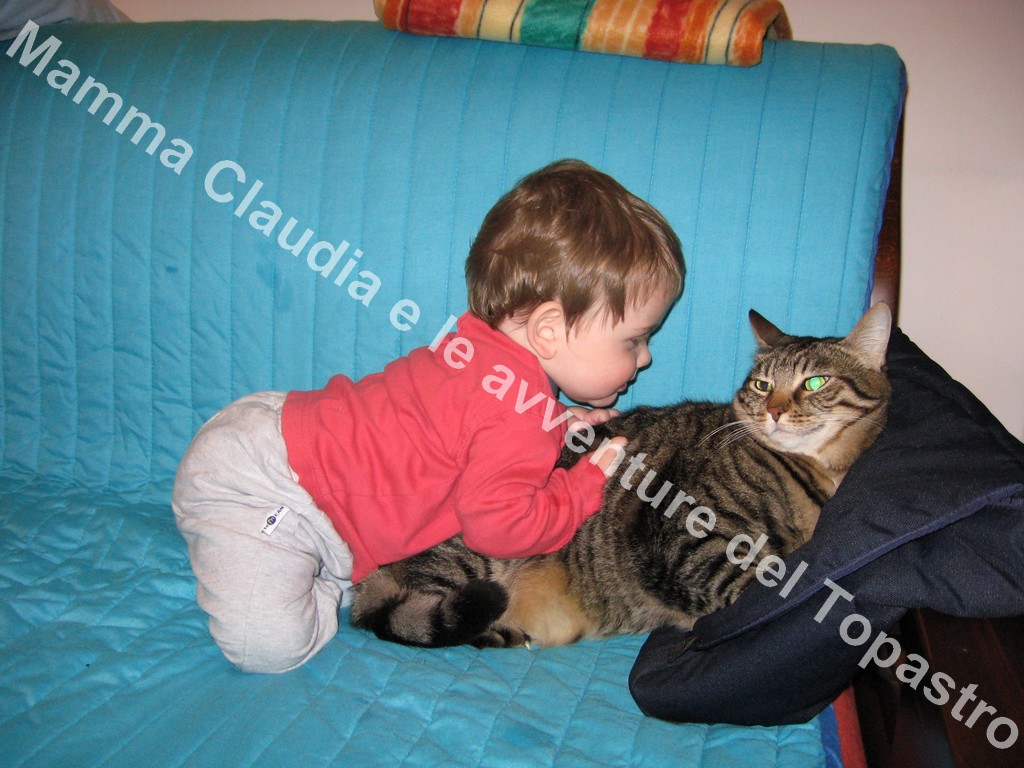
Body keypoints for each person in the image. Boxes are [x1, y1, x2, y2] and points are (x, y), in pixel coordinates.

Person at [172, 159, 685, 673]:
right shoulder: (514, 415)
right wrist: (581, 489)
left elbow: (462, 423)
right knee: (270, 648)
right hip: (272, 488)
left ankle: (286, 560)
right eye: (634, 340)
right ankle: (276, 560)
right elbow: (500, 530)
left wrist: (553, 421)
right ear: (548, 331)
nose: (644, 359)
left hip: (276, 434)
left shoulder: (479, 350)